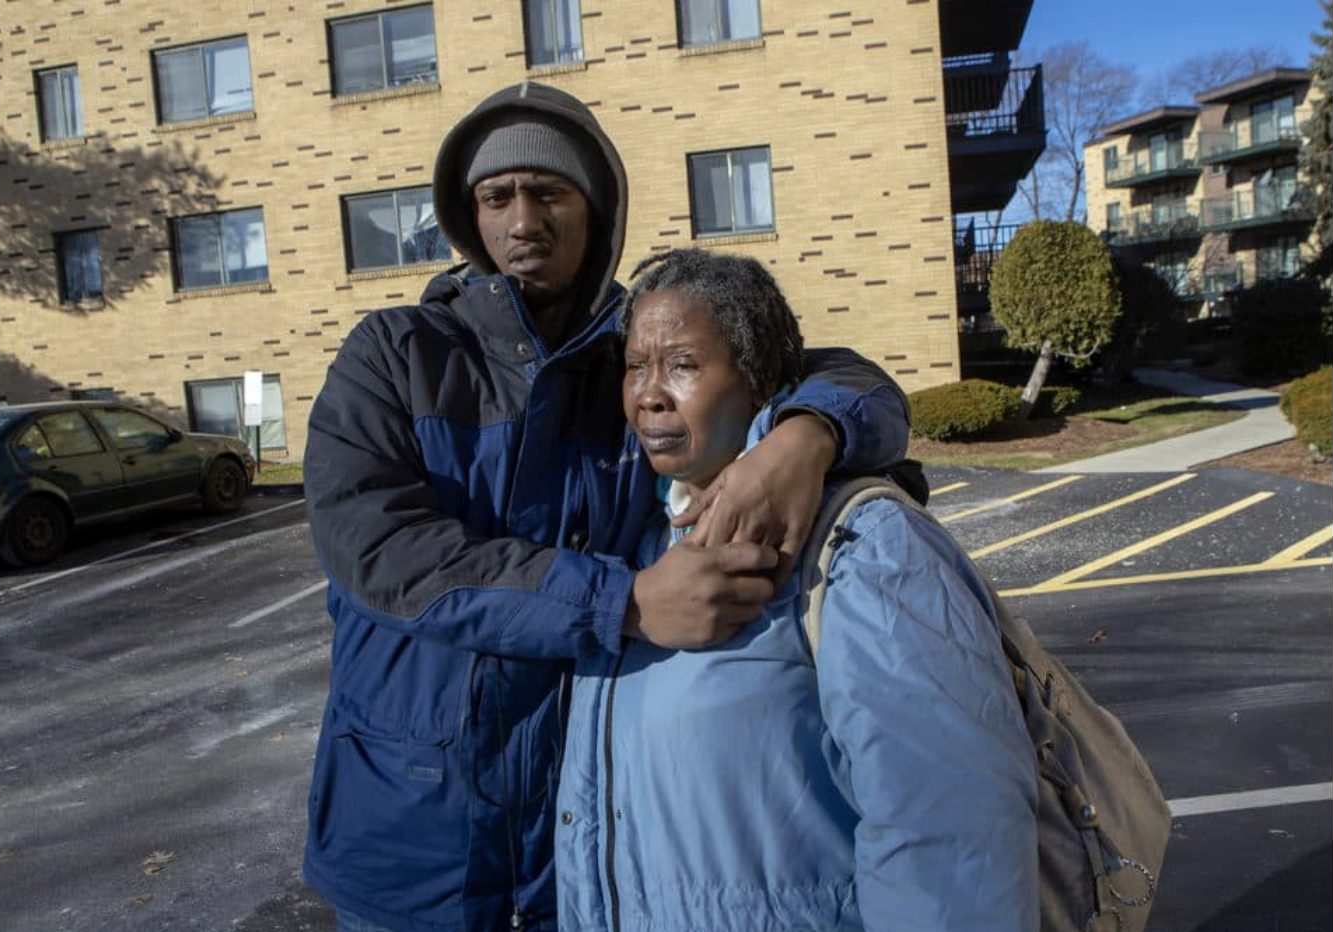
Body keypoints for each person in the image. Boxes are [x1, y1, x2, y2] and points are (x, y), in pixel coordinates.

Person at [302, 83, 914, 932]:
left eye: (550, 193)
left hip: (582, 850)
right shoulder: (394, 355)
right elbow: (381, 551)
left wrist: (805, 436)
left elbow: (852, 380)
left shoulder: (637, 356)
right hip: (407, 839)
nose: (523, 221)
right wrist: (621, 603)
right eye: (496, 197)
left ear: (597, 210)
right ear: (466, 215)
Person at [556, 248, 1040, 932]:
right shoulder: (634, 539)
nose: (649, 392)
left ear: (756, 382)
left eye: (684, 365)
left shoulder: (866, 548)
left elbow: (950, 834)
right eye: (637, 366)